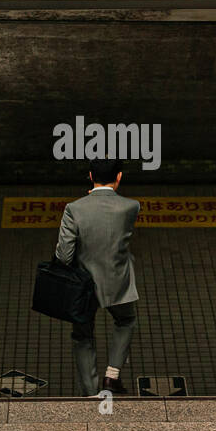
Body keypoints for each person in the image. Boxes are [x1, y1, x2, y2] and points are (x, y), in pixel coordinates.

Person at [54, 159, 140, 395]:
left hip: (83, 286)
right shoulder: (131, 207)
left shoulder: (74, 208)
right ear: (119, 177)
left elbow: (64, 255)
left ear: (90, 176)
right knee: (125, 321)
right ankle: (112, 376)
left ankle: (91, 392)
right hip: (118, 282)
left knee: (82, 336)